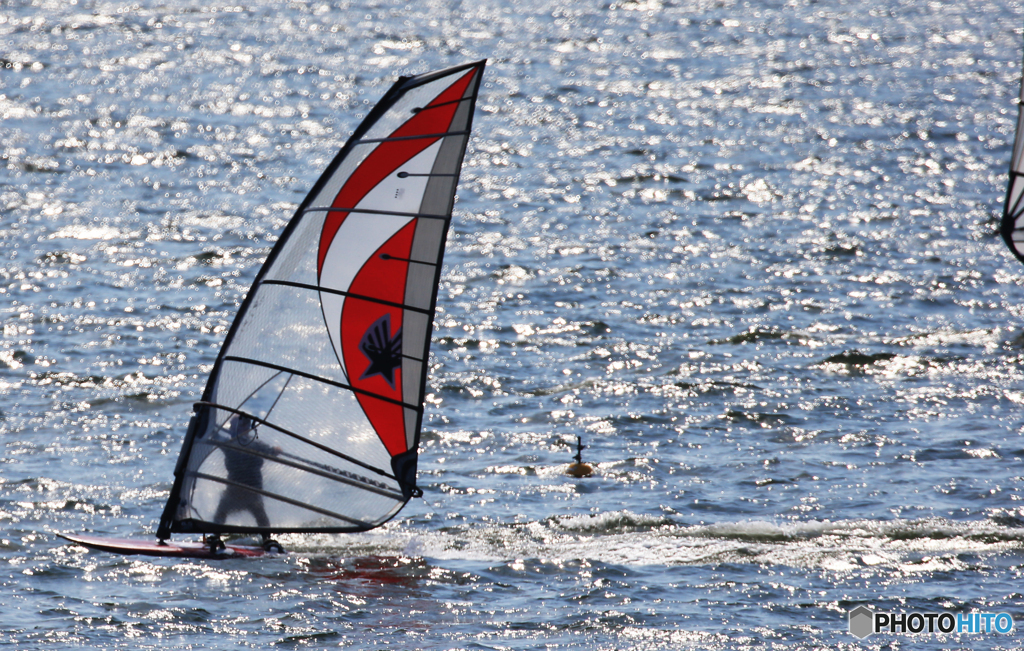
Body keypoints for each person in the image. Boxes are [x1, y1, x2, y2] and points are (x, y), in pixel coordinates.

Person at [210, 413, 283, 551]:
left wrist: (275, 450)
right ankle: (265, 538)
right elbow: (272, 451)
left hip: (249, 491)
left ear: (244, 429)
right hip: (237, 491)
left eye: (234, 426)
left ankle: (217, 535)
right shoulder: (240, 444)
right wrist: (275, 450)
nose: (231, 429)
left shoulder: (245, 444)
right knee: (224, 511)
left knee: (227, 512)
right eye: (231, 426)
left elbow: (215, 436)